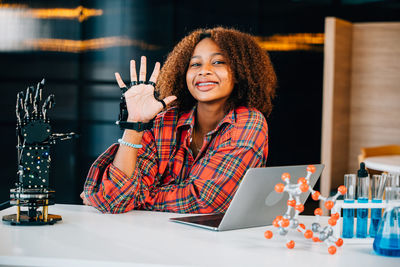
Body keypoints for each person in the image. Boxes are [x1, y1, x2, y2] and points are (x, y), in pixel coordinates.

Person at [81, 27, 277, 214]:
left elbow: (206, 201)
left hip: (218, 245)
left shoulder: (248, 122)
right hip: (158, 240)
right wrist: (135, 123)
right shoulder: (167, 120)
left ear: (240, 71)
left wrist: (137, 197)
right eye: (195, 64)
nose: (204, 71)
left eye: (218, 62)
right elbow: (115, 198)